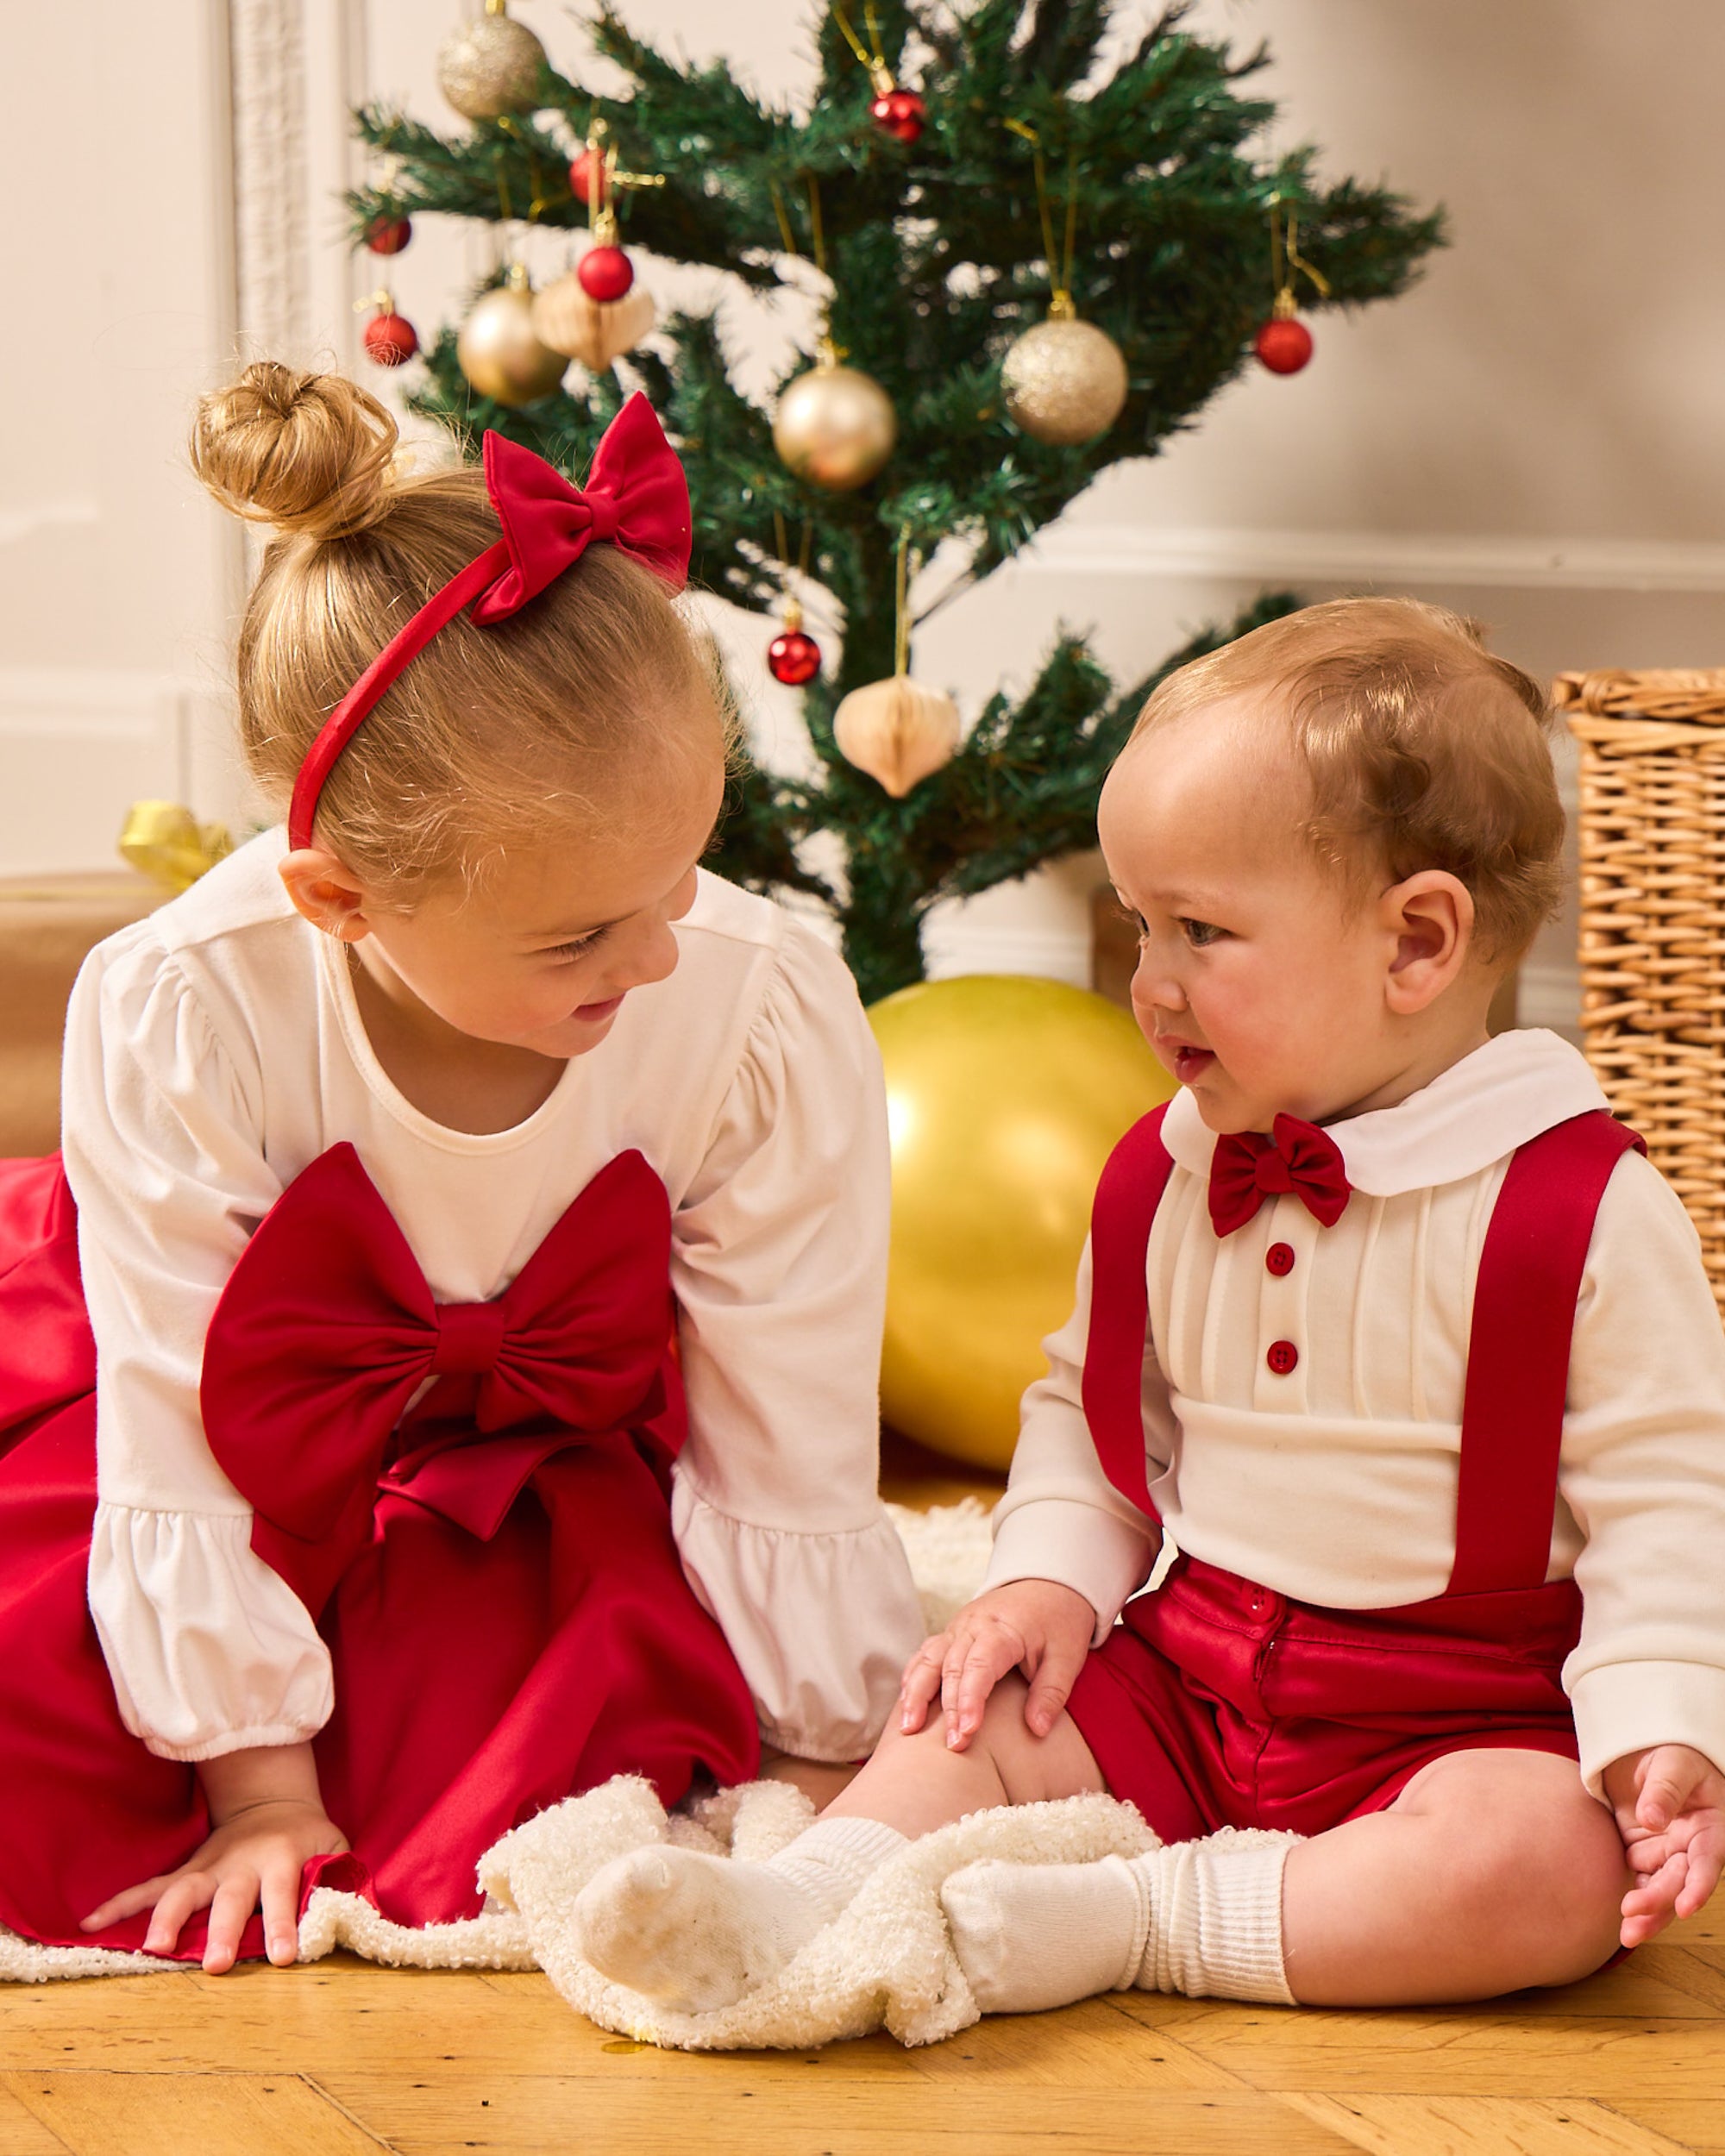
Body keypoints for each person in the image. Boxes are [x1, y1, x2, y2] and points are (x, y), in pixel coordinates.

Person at [574, 597, 1725, 2019]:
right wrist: (1048, 1579)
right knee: (976, 1707)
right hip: (1194, 1670)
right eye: (1136, 923)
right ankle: (799, 1896)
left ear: (1418, 943)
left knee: (1548, 1871)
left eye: (1201, 930)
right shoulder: (1169, 1172)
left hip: (1460, 1716)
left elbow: (1674, 1499)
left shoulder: (1586, 1209)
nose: (1148, 984)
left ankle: (1137, 1924)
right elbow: (1092, 1416)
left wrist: (1660, 1726)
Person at [0, 365, 922, 1976]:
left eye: (681, 876)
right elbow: (178, 1425)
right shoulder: (182, 1004)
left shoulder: (752, 1005)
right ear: (341, 900)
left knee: (541, 1735)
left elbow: (794, 1420)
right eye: (579, 933)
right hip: (199, 1388)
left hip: (528, 1437)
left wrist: (826, 1755)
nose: (653, 955)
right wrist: (257, 1790)